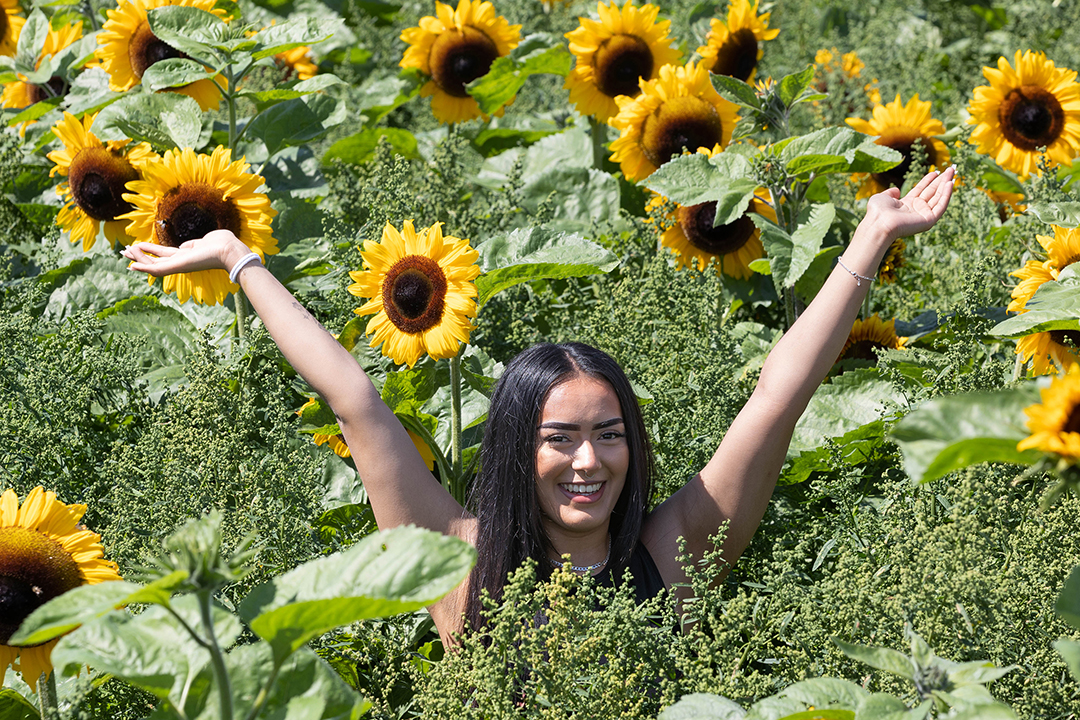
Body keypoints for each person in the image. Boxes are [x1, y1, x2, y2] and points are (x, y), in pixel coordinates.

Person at [122, 166, 955, 645]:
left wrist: (870, 236)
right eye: (560, 438)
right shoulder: (455, 563)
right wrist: (237, 256)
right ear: (519, 449)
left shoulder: (671, 554)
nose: (588, 461)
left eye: (608, 435)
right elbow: (354, 398)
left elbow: (777, 400)